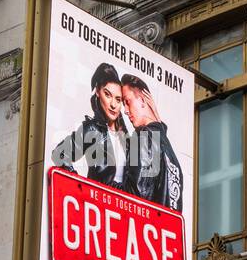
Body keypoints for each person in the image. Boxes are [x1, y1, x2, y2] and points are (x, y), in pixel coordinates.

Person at [51, 62, 131, 188]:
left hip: (122, 206)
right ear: (98, 91)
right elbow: (60, 153)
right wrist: (80, 185)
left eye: (118, 99)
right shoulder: (92, 130)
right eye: (108, 95)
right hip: (98, 203)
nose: (113, 105)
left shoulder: (126, 138)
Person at [121, 74, 184, 212]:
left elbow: (136, 197)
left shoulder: (145, 138)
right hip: (167, 231)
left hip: (144, 231)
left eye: (127, 102)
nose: (125, 110)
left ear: (142, 100)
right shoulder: (168, 151)